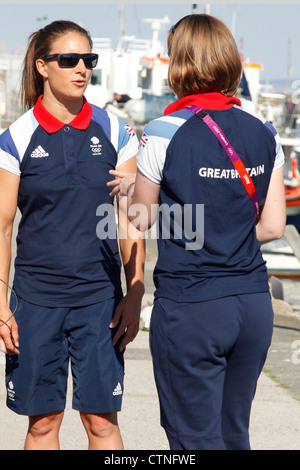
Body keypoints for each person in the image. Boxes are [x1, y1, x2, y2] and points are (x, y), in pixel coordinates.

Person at [107, 14, 286, 450]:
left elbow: (142, 218)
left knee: (193, 441)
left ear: (179, 63)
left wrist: (130, 188)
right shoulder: (265, 132)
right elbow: (273, 226)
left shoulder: (165, 131)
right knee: (232, 434)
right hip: (253, 305)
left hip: (193, 307)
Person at [0, 20, 144, 450]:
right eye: (69, 60)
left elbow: (131, 219)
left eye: (89, 60)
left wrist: (135, 292)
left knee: (102, 424)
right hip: (34, 302)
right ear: (43, 67)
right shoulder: (14, 139)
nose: (82, 68)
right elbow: (3, 225)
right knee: (43, 425)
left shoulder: (118, 133)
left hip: (100, 302)